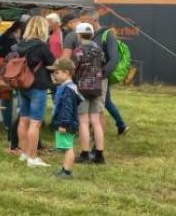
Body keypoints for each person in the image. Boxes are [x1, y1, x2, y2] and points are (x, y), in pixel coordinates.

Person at [10, 15, 55, 168]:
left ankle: (24, 153)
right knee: (35, 123)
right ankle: (33, 157)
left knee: (24, 119)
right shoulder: (42, 46)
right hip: (38, 86)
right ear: (43, 29)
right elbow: (52, 64)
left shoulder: (20, 45)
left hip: (22, 84)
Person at [71, 21, 109, 164]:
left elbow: (72, 69)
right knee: (96, 121)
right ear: (92, 35)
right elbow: (103, 66)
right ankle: (99, 155)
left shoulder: (78, 51)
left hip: (82, 89)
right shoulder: (99, 51)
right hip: (97, 88)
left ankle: (85, 154)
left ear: (79, 35)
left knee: (83, 122)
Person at [0, 15, 25, 152]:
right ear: (19, 30)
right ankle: (9, 126)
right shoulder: (12, 41)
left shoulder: (4, 37)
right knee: (5, 98)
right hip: (4, 71)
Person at [48, 56, 81, 179]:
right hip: (64, 122)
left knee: (68, 148)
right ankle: (64, 169)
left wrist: (64, 124)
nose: (54, 75)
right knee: (66, 146)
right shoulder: (64, 87)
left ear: (66, 73)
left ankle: (66, 172)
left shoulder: (68, 90)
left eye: (57, 72)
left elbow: (67, 108)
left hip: (66, 123)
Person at [98, 22, 129, 136]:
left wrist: (103, 74)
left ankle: (122, 125)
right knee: (107, 101)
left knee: (105, 102)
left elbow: (112, 59)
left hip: (104, 74)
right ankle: (121, 125)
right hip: (106, 74)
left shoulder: (107, 37)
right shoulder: (111, 39)